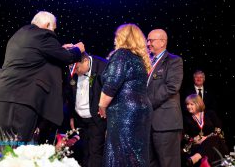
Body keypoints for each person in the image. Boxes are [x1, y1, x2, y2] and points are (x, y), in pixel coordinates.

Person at [0, 11, 85, 143]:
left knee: (6, 143)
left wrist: (59, 49)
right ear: (47, 24)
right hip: (22, 97)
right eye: (54, 28)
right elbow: (66, 57)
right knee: (20, 146)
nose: (54, 33)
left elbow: (38, 54)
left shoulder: (20, 34)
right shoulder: (43, 35)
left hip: (4, 94)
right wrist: (78, 50)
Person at [98, 23, 152, 167]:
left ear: (123, 38)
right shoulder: (140, 59)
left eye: (117, 36)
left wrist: (102, 106)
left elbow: (112, 84)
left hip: (124, 110)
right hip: (141, 110)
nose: (115, 40)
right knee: (135, 154)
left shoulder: (121, 54)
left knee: (120, 154)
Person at [147, 29, 183, 167]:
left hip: (166, 124)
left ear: (162, 42)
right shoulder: (148, 62)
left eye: (151, 40)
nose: (148, 43)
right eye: (147, 40)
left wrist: (146, 102)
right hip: (148, 124)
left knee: (168, 163)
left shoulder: (174, 61)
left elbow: (172, 87)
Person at [68, 52, 107, 167]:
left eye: (77, 68)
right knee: (84, 151)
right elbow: (69, 94)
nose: (75, 72)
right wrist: (71, 116)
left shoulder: (103, 67)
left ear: (85, 61)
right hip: (80, 119)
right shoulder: (73, 70)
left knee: (95, 152)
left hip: (97, 118)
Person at [183, 94, 228, 166]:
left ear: (198, 104)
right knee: (207, 148)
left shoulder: (210, 114)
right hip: (197, 145)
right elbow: (184, 134)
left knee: (214, 139)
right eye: (187, 104)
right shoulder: (186, 118)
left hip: (214, 142)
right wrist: (193, 139)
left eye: (191, 104)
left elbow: (219, 128)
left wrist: (206, 138)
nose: (188, 107)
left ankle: (196, 157)